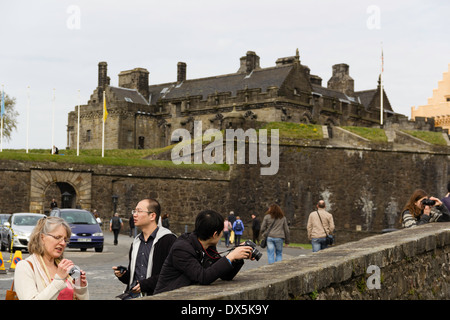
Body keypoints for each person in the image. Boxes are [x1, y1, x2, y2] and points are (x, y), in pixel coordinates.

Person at [154, 209, 254, 294]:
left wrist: (237, 257)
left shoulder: (208, 246)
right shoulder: (181, 248)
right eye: (221, 231)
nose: (222, 234)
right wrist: (230, 256)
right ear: (215, 234)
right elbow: (203, 277)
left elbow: (224, 275)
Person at [113, 199, 176, 298]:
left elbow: (171, 274)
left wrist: (145, 285)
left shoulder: (168, 240)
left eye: (139, 211)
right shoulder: (136, 242)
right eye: (134, 211)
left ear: (152, 216)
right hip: (134, 296)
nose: (134, 214)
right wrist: (123, 275)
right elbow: (134, 276)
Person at [14, 216, 89, 300]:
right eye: (57, 237)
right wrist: (59, 281)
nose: (63, 243)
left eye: (65, 239)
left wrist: (80, 288)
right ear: (42, 238)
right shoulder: (25, 267)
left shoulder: (64, 267)